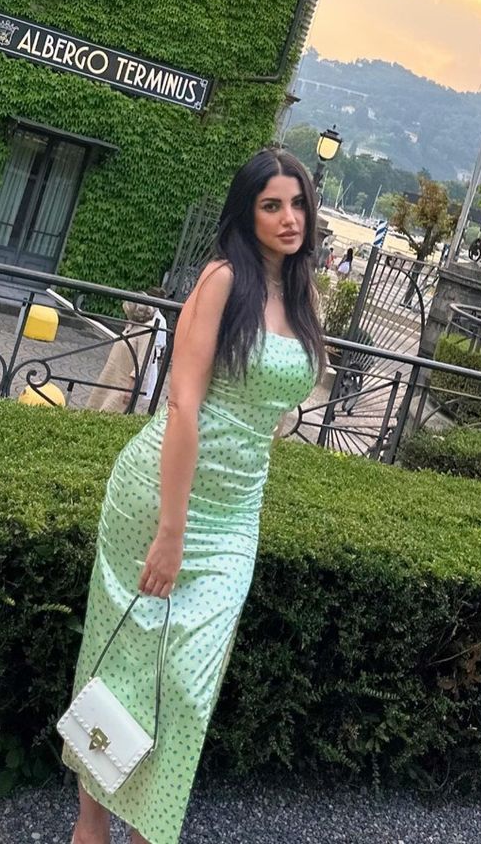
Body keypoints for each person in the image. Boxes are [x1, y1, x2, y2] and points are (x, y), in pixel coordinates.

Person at [64, 146, 325, 844]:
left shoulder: (303, 295)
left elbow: (277, 404)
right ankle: (91, 825)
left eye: (298, 203)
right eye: (272, 205)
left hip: (236, 514)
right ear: (247, 212)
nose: (289, 218)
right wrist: (171, 531)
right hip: (161, 498)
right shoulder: (222, 280)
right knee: (121, 663)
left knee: (185, 686)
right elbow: (182, 405)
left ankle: (146, 829)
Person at [86, 292, 165, 413]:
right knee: (94, 408)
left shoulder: (147, 331)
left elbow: (142, 362)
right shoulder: (133, 325)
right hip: (110, 378)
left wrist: (130, 389)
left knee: (108, 412)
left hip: (123, 385)